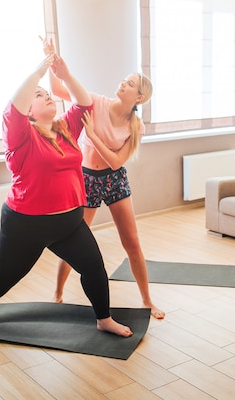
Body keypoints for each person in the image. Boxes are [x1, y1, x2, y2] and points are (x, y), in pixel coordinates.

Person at [0, 53, 133, 338]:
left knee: (93, 267)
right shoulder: (20, 136)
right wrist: (37, 73)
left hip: (68, 223)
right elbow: (13, 109)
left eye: (47, 94)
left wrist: (64, 73)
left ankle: (103, 318)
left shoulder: (66, 128)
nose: (46, 97)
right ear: (29, 112)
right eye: (39, 96)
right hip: (25, 226)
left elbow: (85, 103)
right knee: (6, 277)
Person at [42, 38, 165, 319]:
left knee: (132, 242)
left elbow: (117, 161)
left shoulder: (136, 126)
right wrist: (51, 60)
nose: (123, 84)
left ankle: (147, 300)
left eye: (130, 84)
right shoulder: (96, 102)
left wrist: (93, 136)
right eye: (124, 80)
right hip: (86, 179)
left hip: (114, 180)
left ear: (140, 97)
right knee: (74, 241)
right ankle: (57, 294)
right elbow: (58, 88)